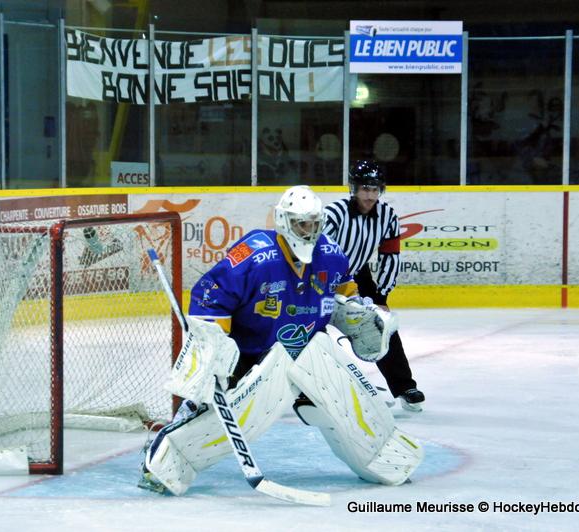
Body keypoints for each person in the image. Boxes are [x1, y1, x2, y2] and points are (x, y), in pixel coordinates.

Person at [138, 185, 423, 497]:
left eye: (314, 223)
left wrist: (358, 316)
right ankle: (167, 460)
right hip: (247, 352)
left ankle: (381, 456)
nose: (309, 230)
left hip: (307, 347)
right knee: (227, 412)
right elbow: (210, 295)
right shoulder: (255, 255)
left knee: (346, 397)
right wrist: (214, 342)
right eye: (302, 223)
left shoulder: (330, 254)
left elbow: (343, 294)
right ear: (285, 222)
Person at [323, 160, 425, 412]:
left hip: (358, 274)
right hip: (323, 276)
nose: (369, 195)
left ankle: (403, 386)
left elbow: (390, 256)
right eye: (364, 189)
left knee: (383, 327)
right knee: (311, 329)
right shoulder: (334, 213)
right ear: (354, 189)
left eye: (374, 189)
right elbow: (317, 252)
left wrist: (381, 296)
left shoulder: (388, 216)